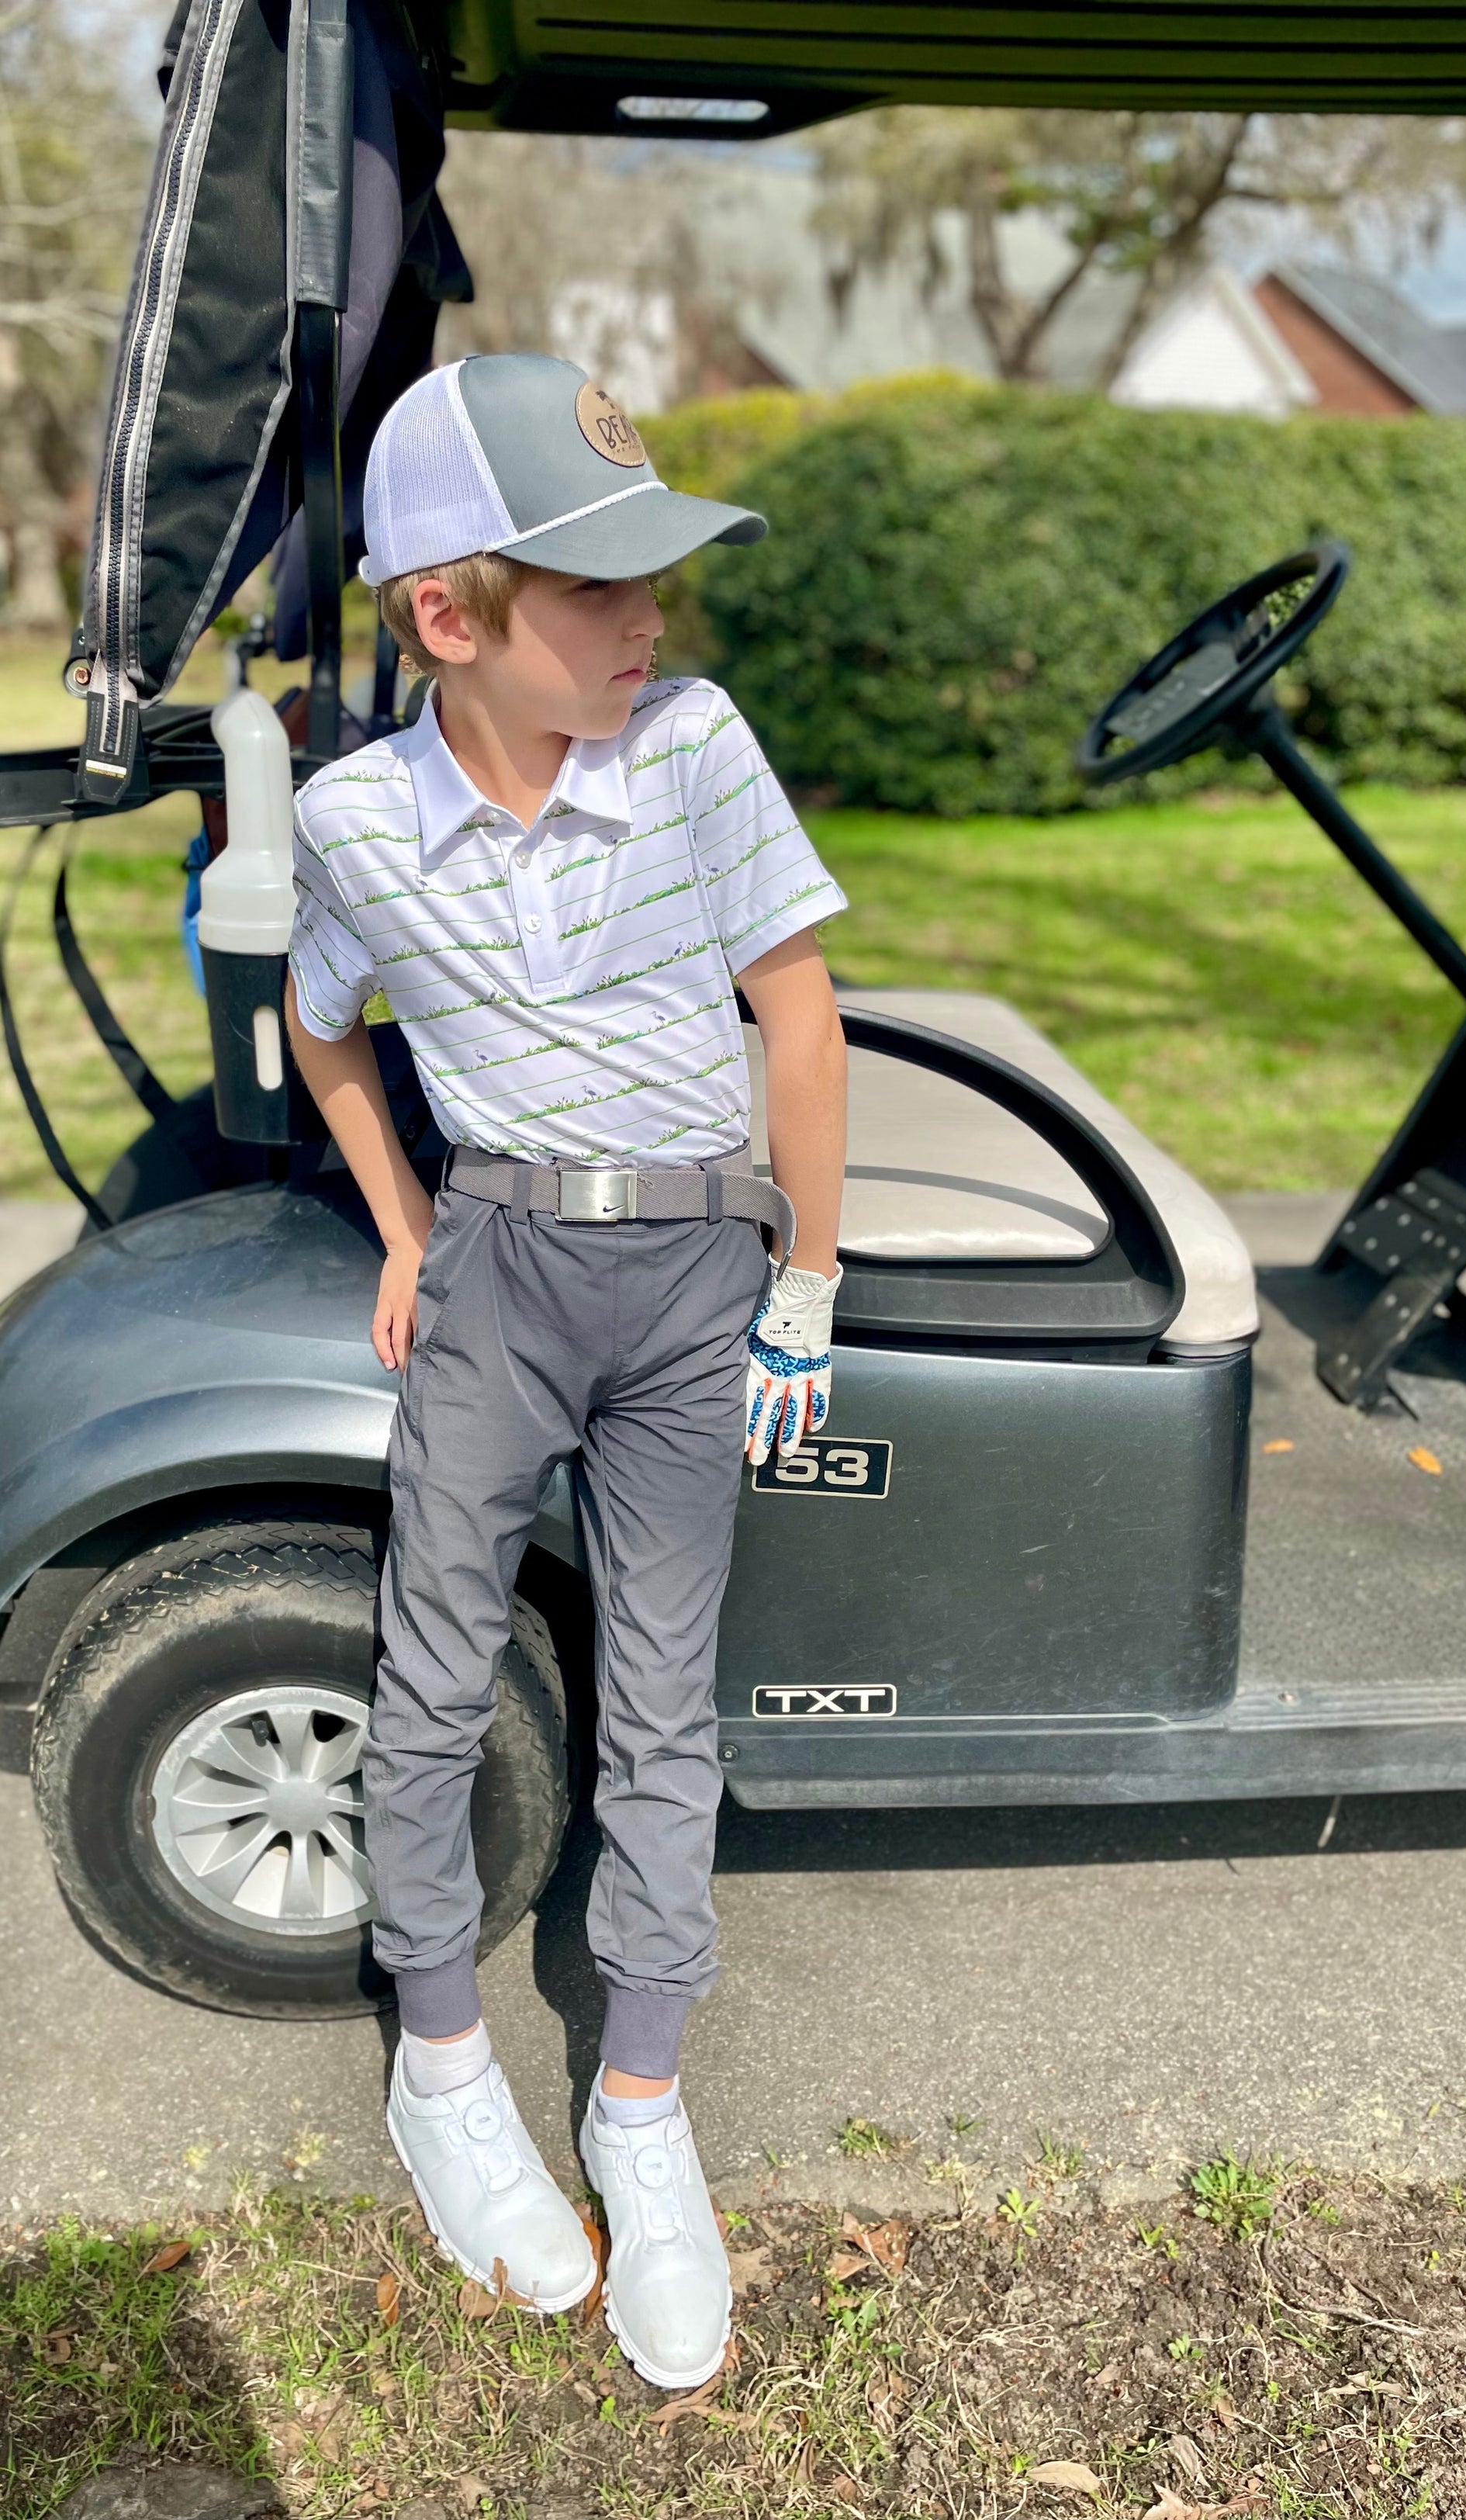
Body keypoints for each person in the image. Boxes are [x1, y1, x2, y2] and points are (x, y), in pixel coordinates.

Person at [284, 351, 848, 2393]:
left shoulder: (692, 748)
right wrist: (411, 1233)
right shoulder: (358, 819)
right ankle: (441, 2069)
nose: (648, 624)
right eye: (599, 588)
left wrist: (807, 1284)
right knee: (432, 1669)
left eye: (653, 584)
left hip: (700, 1271)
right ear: (450, 614)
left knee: (663, 1699)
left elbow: (796, 1021)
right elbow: (323, 1028)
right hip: (506, 1265)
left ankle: (641, 2100)